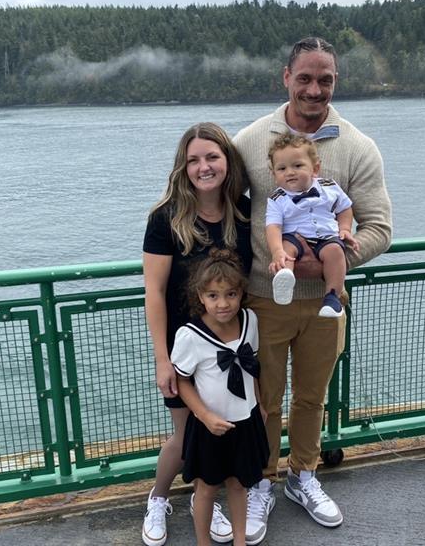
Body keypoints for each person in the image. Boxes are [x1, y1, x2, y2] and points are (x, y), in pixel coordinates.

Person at [234, 37, 392, 543]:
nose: (314, 89)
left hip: (326, 303)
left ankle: (302, 475)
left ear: (335, 82)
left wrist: (330, 261)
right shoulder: (250, 142)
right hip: (265, 298)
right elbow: (221, 210)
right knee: (264, 400)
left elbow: (379, 228)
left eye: (324, 79)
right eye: (304, 77)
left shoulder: (358, 146)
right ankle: (261, 479)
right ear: (286, 77)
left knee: (311, 399)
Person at [142, 123, 252, 546]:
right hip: (184, 349)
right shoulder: (166, 217)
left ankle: (203, 498)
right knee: (188, 435)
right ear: (183, 167)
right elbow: (153, 291)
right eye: (193, 160)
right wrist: (161, 357)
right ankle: (158, 497)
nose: (203, 167)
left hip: (229, 349)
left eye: (212, 157)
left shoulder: (243, 214)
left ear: (227, 160)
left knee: (223, 428)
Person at [172, 249, 269, 546]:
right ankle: (204, 542)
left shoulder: (250, 321)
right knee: (206, 488)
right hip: (209, 426)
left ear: (241, 293)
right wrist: (205, 416)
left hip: (246, 420)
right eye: (213, 296)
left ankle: (240, 540)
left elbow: (252, 366)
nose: (223, 303)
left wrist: (260, 404)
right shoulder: (190, 335)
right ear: (200, 296)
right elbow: (182, 381)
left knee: (239, 485)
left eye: (230, 294)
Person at [265, 132, 360, 317]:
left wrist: (345, 229)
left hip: (326, 236)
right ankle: (285, 278)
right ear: (274, 175)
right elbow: (273, 226)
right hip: (294, 237)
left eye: (298, 166)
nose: (290, 172)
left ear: (315, 169)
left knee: (335, 252)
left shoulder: (329, 187)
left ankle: (332, 297)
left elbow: (345, 208)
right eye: (282, 168)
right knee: (286, 251)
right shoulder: (277, 199)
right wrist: (276, 252)